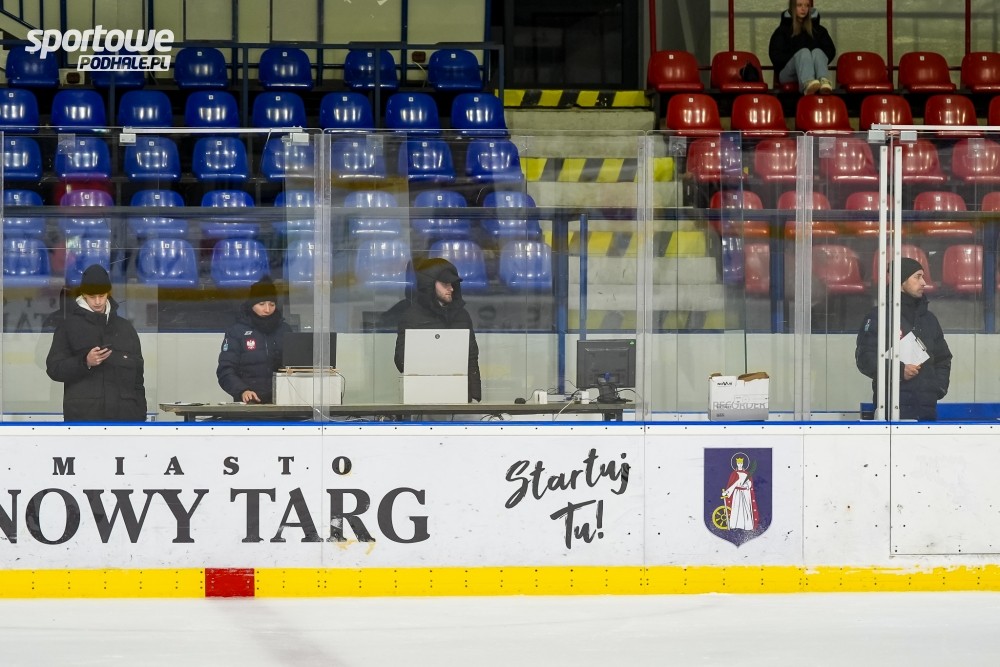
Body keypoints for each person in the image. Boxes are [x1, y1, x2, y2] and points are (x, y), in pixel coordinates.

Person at [45, 264, 147, 422]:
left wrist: (141, 415)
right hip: (84, 419)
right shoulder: (68, 327)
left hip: (125, 419)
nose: (98, 301)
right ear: (84, 295)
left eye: (101, 296)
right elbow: (54, 369)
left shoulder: (126, 328)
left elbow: (138, 379)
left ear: (108, 294)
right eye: (92, 297)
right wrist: (85, 362)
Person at [855, 257, 952, 421]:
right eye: (917, 277)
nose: (924, 283)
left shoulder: (929, 319)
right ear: (901, 280)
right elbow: (865, 359)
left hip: (927, 412)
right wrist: (898, 371)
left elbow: (943, 358)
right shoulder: (879, 316)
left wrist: (938, 388)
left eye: (923, 277)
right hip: (891, 412)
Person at [394, 257, 482, 402]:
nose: (451, 288)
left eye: (452, 284)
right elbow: (401, 361)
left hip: (459, 395)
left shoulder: (462, 315)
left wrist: (474, 395)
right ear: (429, 285)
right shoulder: (411, 317)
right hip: (421, 397)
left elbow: (471, 357)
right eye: (445, 284)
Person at [217, 276, 292, 404]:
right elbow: (226, 370)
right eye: (261, 304)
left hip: (283, 400)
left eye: (272, 304)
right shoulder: (237, 332)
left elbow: (297, 366)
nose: (267, 309)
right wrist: (242, 391)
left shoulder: (285, 330)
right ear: (252, 304)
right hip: (249, 403)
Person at [768, 0, 837, 95]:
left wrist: (812, 62)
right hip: (788, 74)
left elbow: (830, 50)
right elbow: (775, 56)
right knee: (804, 52)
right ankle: (808, 84)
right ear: (793, 7)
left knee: (817, 52)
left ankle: (823, 81)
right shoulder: (782, 30)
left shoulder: (820, 30)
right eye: (799, 5)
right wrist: (798, 59)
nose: (803, 9)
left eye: (807, 5)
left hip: (814, 72)